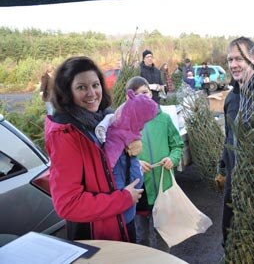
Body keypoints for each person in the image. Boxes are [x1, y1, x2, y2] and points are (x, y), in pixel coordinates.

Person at [45, 56, 144, 242]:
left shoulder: (103, 119)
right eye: (81, 87)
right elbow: (67, 205)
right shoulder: (67, 134)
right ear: (67, 92)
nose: (92, 93)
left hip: (122, 222)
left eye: (95, 85)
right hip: (97, 234)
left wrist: (131, 158)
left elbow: (104, 168)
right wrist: (123, 199)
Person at [126, 77, 184, 252]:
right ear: (130, 99)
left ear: (151, 94)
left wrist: (172, 159)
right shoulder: (126, 124)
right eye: (136, 95)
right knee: (141, 236)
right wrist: (136, 163)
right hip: (139, 191)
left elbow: (177, 145)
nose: (142, 97)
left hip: (162, 187)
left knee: (163, 235)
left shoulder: (164, 119)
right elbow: (121, 155)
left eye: (145, 92)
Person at [95, 86, 158, 242]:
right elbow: (109, 161)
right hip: (122, 186)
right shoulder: (118, 132)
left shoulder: (130, 126)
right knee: (129, 219)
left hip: (132, 180)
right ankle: (126, 221)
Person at [219, 37, 254, 246]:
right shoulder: (231, 98)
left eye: (239, 59)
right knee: (229, 233)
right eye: (229, 60)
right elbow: (229, 136)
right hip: (234, 180)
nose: (233, 64)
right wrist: (223, 165)